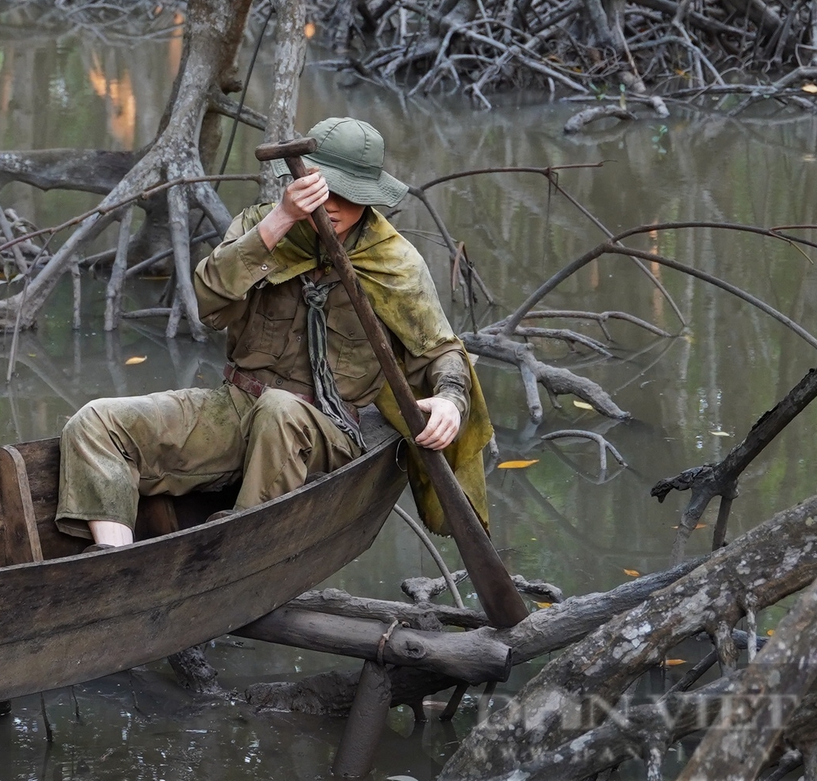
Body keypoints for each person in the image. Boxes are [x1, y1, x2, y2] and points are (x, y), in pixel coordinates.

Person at [56, 116, 491, 549]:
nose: (333, 205)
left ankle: (237, 550)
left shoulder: (394, 260)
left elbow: (440, 351)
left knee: (280, 412)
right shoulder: (262, 227)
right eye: (325, 190)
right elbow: (208, 302)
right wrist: (279, 221)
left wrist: (452, 400)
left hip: (327, 427)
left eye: (350, 195)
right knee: (97, 422)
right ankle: (115, 561)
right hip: (237, 405)